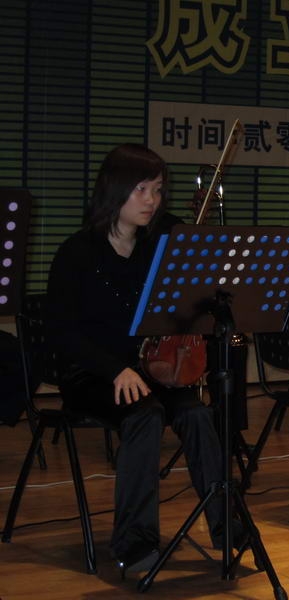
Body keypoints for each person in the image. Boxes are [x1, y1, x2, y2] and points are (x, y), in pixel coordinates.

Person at [45, 144, 234, 577]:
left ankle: (229, 530)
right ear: (114, 190)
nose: (152, 200)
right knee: (146, 414)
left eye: (158, 190)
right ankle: (134, 544)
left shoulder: (159, 245)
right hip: (93, 374)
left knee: (198, 414)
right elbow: (61, 332)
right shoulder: (76, 253)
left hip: (153, 369)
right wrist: (115, 369)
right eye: (142, 189)